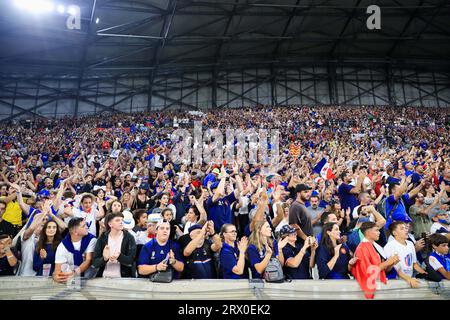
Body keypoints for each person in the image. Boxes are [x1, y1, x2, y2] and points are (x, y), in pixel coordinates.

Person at [351, 222, 400, 299]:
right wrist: (387, 262)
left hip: (378, 286)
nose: (379, 233)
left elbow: (382, 270)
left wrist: (391, 263)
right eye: (376, 230)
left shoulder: (375, 246)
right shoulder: (362, 248)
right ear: (368, 232)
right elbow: (368, 272)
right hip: (369, 289)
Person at [92, 212, 137, 278]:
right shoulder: (102, 238)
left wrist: (119, 257)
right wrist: (104, 259)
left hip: (124, 278)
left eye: (122, 220)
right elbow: (95, 263)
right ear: (110, 224)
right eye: (117, 220)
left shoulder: (129, 238)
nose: (121, 222)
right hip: (104, 277)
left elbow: (131, 260)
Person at [383, 221, 427, 287]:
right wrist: (408, 279)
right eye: (402, 228)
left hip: (409, 279)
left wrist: (424, 273)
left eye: (406, 228)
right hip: (395, 281)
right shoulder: (390, 246)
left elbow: (414, 264)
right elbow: (394, 268)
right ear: (394, 233)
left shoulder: (410, 244)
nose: (406, 230)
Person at [53, 217, 97, 283]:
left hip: (91, 279)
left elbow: (88, 261)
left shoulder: (92, 240)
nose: (87, 227)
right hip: (71, 281)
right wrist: (57, 276)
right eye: (83, 226)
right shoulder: (63, 246)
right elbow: (57, 270)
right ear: (75, 232)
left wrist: (73, 274)